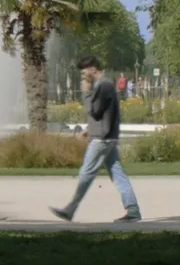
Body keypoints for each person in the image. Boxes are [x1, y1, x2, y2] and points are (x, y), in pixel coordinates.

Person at [50, 56, 142, 223]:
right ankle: (133, 210)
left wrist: (85, 93)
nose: (83, 76)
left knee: (86, 173)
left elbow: (94, 111)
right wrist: (88, 131)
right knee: (118, 174)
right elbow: (103, 115)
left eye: (84, 72)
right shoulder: (105, 85)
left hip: (102, 139)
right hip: (107, 137)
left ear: (93, 69)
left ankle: (70, 209)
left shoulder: (103, 85)